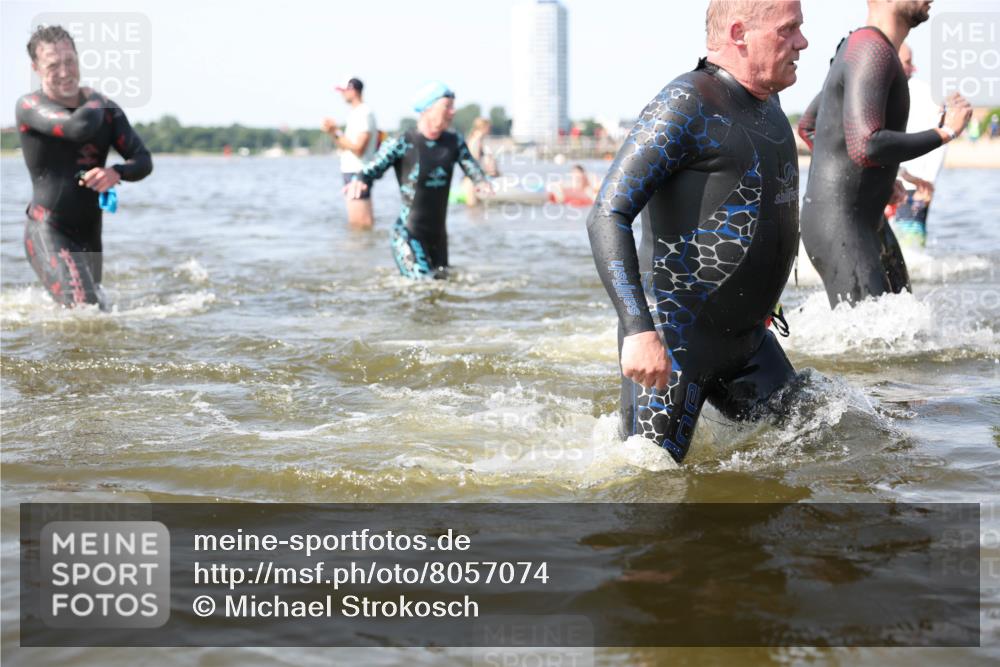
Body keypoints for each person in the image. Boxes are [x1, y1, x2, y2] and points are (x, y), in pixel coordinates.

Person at [586, 0, 807, 463]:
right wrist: (637, 330)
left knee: (821, 447)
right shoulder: (686, 103)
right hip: (674, 348)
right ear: (740, 32)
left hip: (748, 342)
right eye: (789, 30)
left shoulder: (766, 104)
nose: (801, 42)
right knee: (650, 496)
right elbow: (608, 213)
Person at [797, 0, 971, 307]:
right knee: (872, 347)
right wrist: (946, 133)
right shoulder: (869, 49)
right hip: (841, 225)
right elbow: (867, 145)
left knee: (903, 333)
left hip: (866, 219)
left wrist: (878, 178)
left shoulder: (870, 48)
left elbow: (809, 126)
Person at [16, 25, 152, 310]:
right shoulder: (30, 106)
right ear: (36, 68)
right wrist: (97, 98)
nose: (65, 72)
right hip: (48, 228)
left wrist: (116, 172)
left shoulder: (105, 110)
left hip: (90, 231)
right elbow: (78, 127)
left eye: (70, 62)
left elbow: (143, 160)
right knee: (83, 310)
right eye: (53, 65)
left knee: (95, 313)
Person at [344, 81, 491, 279]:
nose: (453, 111)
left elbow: (472, 168)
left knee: (442, 288)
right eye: (447, 106)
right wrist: (359, 179)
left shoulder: (454, 141)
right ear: (428, 109)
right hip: (407, 234)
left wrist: (482, 182)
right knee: (422, 286)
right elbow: (371, 169)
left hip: (438, 238)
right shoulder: (403, 141)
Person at [889, 42, 948, 248]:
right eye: (908, 62)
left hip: (914, 187)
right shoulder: (887, 92)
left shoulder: (925, 94)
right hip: (891, 184)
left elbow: (941, 139)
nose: (914, 67)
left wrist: (927, 181)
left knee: (910, 252)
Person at [323, 77, 378, 229]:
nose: (342, 95)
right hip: (353, 170)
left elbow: (359, 148)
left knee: (360, 223)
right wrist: (333, 133)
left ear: (353, 90)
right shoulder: (356, 113)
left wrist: (335, 131)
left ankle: (361, 252)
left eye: (344, 91)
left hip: (358, 171)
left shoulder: (363, 112)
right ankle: (361, 251)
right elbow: (346, 145)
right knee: (357, 223)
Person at [462, 117, 499, 206]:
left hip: (473, 179)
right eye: (489, 127)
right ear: (484, 127)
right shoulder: (476, 140)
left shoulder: (476, 139)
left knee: (477, 213)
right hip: (471, 181)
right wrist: (490, 171)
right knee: (473, 210)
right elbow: (473, 162)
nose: (490, 129)